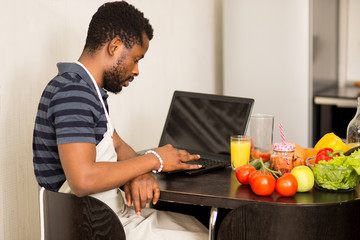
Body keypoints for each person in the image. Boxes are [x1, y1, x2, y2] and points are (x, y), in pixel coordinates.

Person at [32, 1, 208, 239]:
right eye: (136, 59)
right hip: (95, 228)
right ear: (115, 46)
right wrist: (154, 160)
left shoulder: (87, 90)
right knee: (204, 233)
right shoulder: (73, 93)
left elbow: (116, 144)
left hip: (109, 216)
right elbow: (83, 179)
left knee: (200, 226)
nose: (136, 70)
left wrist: (139, 174)